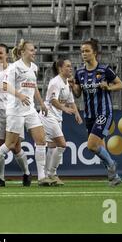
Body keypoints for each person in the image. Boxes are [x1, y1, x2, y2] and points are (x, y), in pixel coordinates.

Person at [0, 40, 54, 187]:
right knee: (9, 144)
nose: (34, 52)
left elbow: (33, 87)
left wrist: (41, 104)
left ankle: (42, 177)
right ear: (22, 52)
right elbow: (5, 85)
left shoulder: (34, 67)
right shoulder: (14, 67)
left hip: (30, 109)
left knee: (41, 140)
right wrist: (20, 95)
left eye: (34, 50)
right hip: (15, 110)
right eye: (31, 50)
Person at [70, 38, 122, 187]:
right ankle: (115, 178)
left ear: (95, 53)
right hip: (89, 115)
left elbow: (121, 84)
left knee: (91, 145)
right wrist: (72, 86)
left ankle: (112, 165)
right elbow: (77, 94)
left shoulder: (104, 69)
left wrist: (109, 88)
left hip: (103, 113)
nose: (84, 54)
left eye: (87, 51)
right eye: (82, 51)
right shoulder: (79, 72)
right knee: (100, 147)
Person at [0, 44, 32, 187]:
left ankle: (27, 173)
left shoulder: (14, 70)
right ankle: (1, 178)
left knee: (16, 147)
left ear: (7, 55)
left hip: (15, 113)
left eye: (0, 53)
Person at [40, 58, 83, 186]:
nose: (71, 68)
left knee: (52, 147)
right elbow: (53, 100)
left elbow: (71, 101)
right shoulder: (55, 82)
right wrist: (64, 108)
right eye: (68, 66)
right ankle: (53, 174)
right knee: (62, 145)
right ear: (60, 69)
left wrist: (77, 114)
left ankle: (47, 176)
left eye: (71, 66)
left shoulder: (66, 83)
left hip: (57, 117)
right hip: (48, 115)